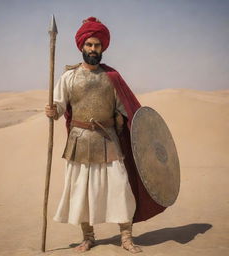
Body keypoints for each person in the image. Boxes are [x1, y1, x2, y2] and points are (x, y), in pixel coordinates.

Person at [45, 17, 166, 253]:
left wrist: (129, 125)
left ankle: (127, 237)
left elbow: (128, 110)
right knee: (81, 191)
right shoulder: (68, 77)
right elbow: (58, 108)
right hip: (79, 142)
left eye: (97, 45)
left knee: (121, 188)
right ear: (82, 46)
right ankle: (88, 237)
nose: (93, 49)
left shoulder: (112, 78)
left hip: (109, 140)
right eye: (89, 44)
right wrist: (52, 111)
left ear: (102, 48)